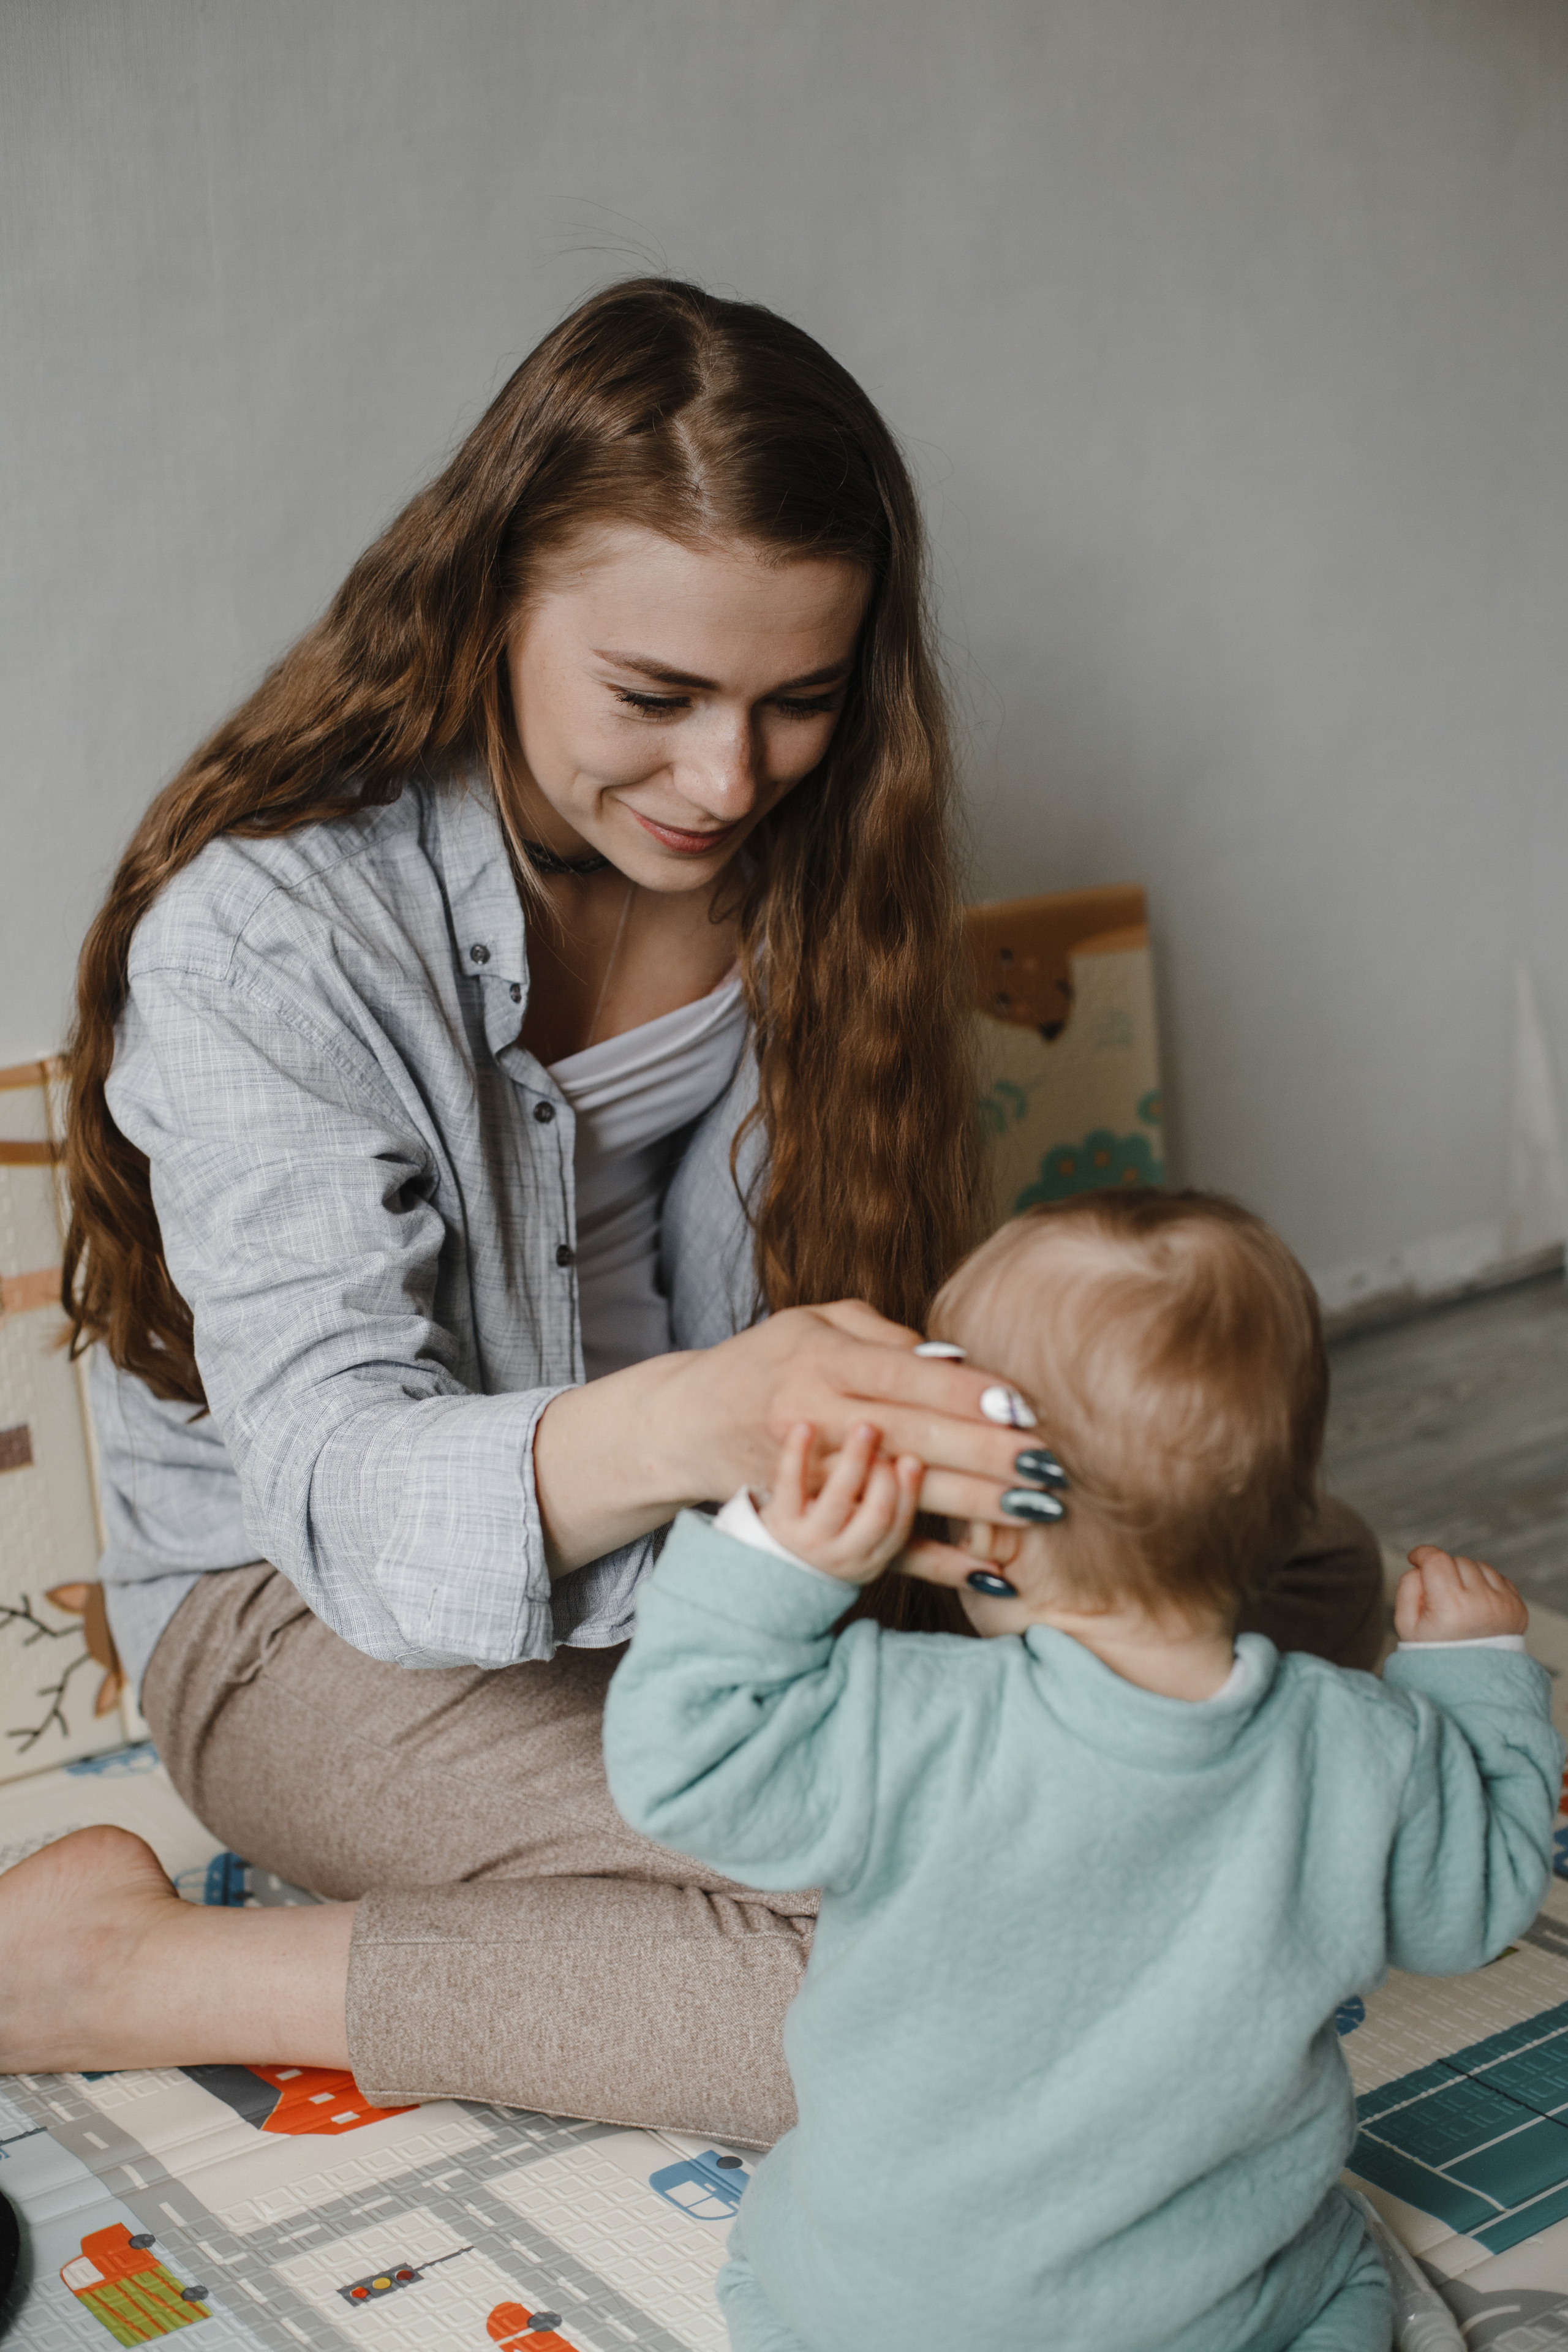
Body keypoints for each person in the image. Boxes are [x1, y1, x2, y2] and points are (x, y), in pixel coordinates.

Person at [1, 282, 1382, 2144]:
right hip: (310, 1616)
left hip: (713, 1558)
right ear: (486, 607)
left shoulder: (805, 873)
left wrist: (914, 1489)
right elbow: (351, 1501)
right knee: (951, 1945)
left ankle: (631, 1913)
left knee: (1297, 1578)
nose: (728, 782)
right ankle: (139, 1976)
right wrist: (716, 1422)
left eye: (799, 702)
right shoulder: (274, 934)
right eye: (654, 698)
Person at [604, 1188, 1561, 2351]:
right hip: (1193, 2308)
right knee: (1340, 2266)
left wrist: (776, 1554)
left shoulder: (907, 1718)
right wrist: (1476, 1673)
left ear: (987, 1531)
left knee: (767, 2254)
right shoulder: (1366, 1745)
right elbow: (1478, 1902)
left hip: (890, 2301)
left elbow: (677, 1763)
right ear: (1286, 1503)